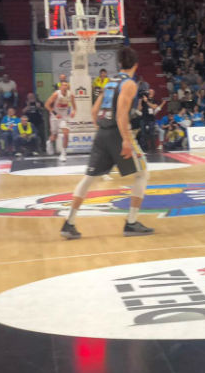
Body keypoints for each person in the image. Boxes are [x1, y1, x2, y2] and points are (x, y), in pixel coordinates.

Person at [60, 47, 154, 239]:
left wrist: (101, 129)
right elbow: (121, 114)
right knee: (143, 174)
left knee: (88, 178)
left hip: (102, 133)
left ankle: (69, 223)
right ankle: (131, 223)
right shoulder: (129, 84)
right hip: (117, 134)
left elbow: (94, 111)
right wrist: (125, 140)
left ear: (119, 64)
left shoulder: (110, 82)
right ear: (135, 65)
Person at [45, 80, 76, 161]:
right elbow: (47, 105)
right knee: (54, 136)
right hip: (54, 116)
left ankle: (63, 153)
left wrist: (73, 111)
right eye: (63, 85)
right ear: (60, 87)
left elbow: (74, 106)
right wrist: (55, 113)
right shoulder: (56, 94)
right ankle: (49, 142)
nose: (65, 87)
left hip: (64, 117)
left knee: (66, 133)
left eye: (66, 85)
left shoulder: (70, 95)